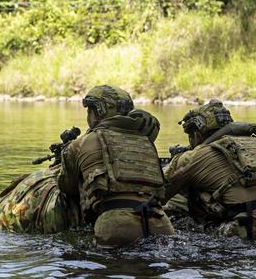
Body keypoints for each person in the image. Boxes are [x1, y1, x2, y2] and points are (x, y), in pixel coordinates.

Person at [164, 99, 256, 241]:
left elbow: (156, 193)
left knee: (177, 209)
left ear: (196, 136)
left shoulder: (195, 156)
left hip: (252, 229)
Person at [57, 85, 174, 246]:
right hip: (162, 225)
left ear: (97, 112)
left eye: (89, 110)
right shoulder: (145, 141)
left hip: (116, 228)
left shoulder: (80, 144)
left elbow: (67, 187)